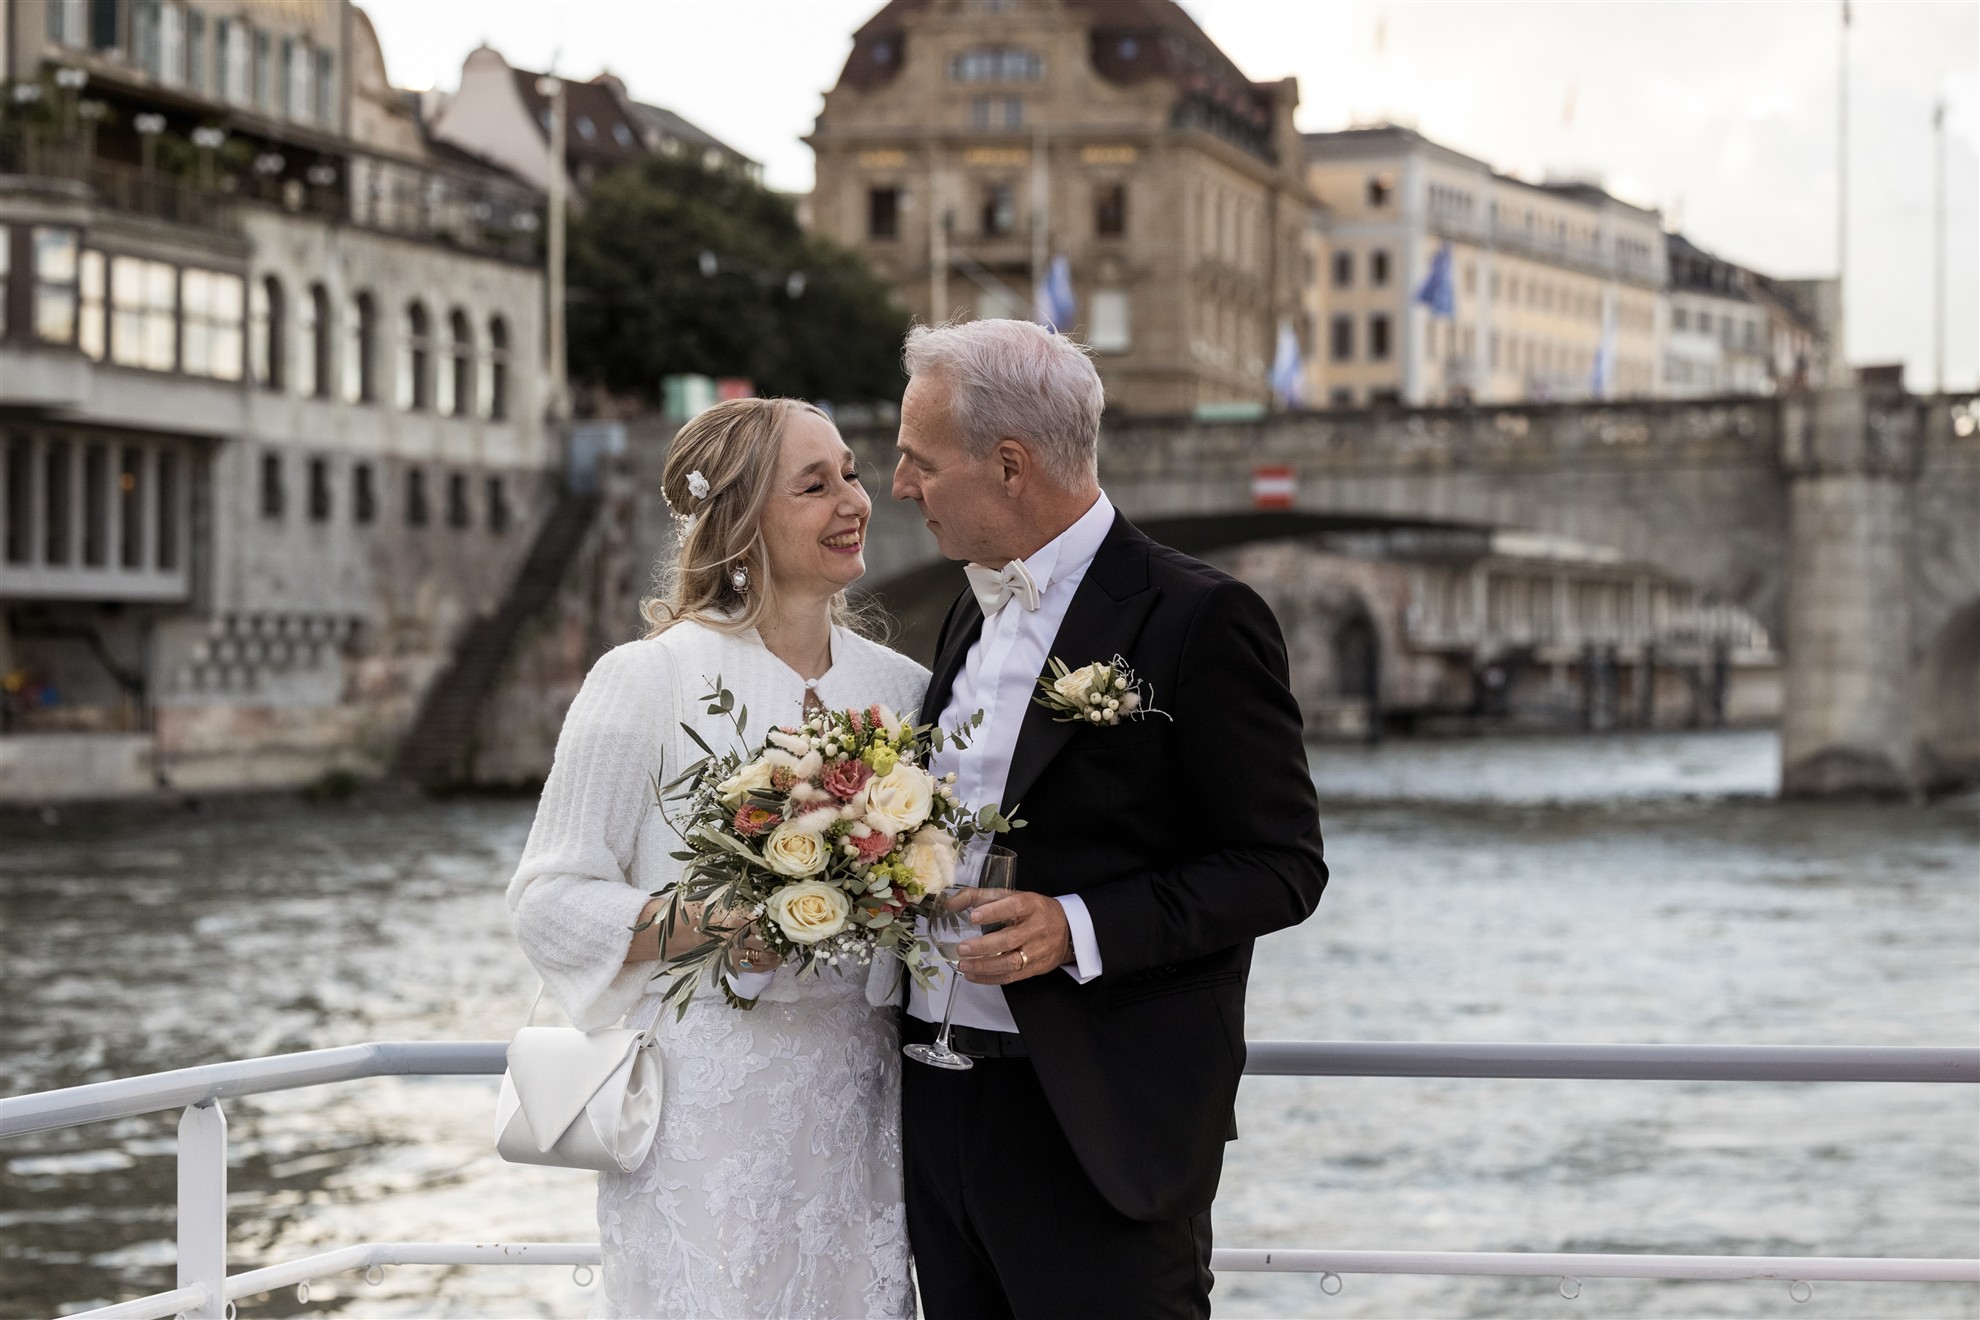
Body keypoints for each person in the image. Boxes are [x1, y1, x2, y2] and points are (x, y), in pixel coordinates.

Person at [891, 320, 1329, 1320]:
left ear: (1010, 467)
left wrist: (1074, 927)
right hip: (937, 1095)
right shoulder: (967, 611)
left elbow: (1281, 866)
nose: (901, 488)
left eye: (918, 462)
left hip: (1098, 1123)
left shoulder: (1200, 618)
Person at [507, 397, 927, 1318]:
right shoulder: (645, 679)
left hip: (864, 1107)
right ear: (741, 523)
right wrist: (709, 926)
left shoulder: (905, 692)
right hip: (699, 1116)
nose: (853, 500)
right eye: (814, 485)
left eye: (851, 474)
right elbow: (545, 900)